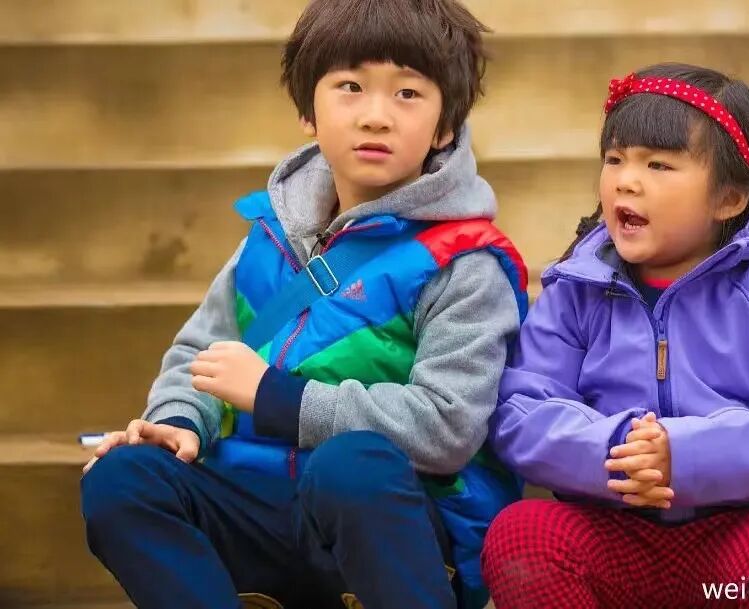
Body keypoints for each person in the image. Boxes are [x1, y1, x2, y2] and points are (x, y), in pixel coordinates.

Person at [80, 1, 528, 608]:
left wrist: (276, 397)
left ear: (445, 126)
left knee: (350, 466)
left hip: (391, 521)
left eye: (407, 94)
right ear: (308, 112)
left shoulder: (463, 262)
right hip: (258, 497)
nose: (375, 116)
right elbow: (199, 354)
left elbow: (447, 426)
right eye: (350, 87)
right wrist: (178, 423)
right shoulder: (271, 235)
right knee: (121, 478)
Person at [482, 62, 749, 608]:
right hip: (612, 529)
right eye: (615, 159)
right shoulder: (577, 286)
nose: (626, 180)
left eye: (658, 164)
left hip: (738, 528)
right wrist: (616, 451)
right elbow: (520, 409)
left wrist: (681, 455)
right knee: (522, 534)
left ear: (729, 198)